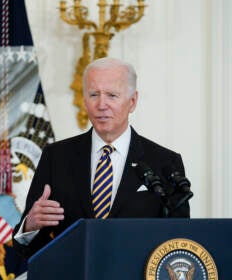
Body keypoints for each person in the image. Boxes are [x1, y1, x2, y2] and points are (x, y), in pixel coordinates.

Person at [12, 57, 190, 258]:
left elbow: (179, 243)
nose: (101, 104)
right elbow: (28, 248)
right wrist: (30, 225)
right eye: (94, 94)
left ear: (132, 102)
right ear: (84, 100)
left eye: (112, 95)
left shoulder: (164, 162)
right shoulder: (56, 157)